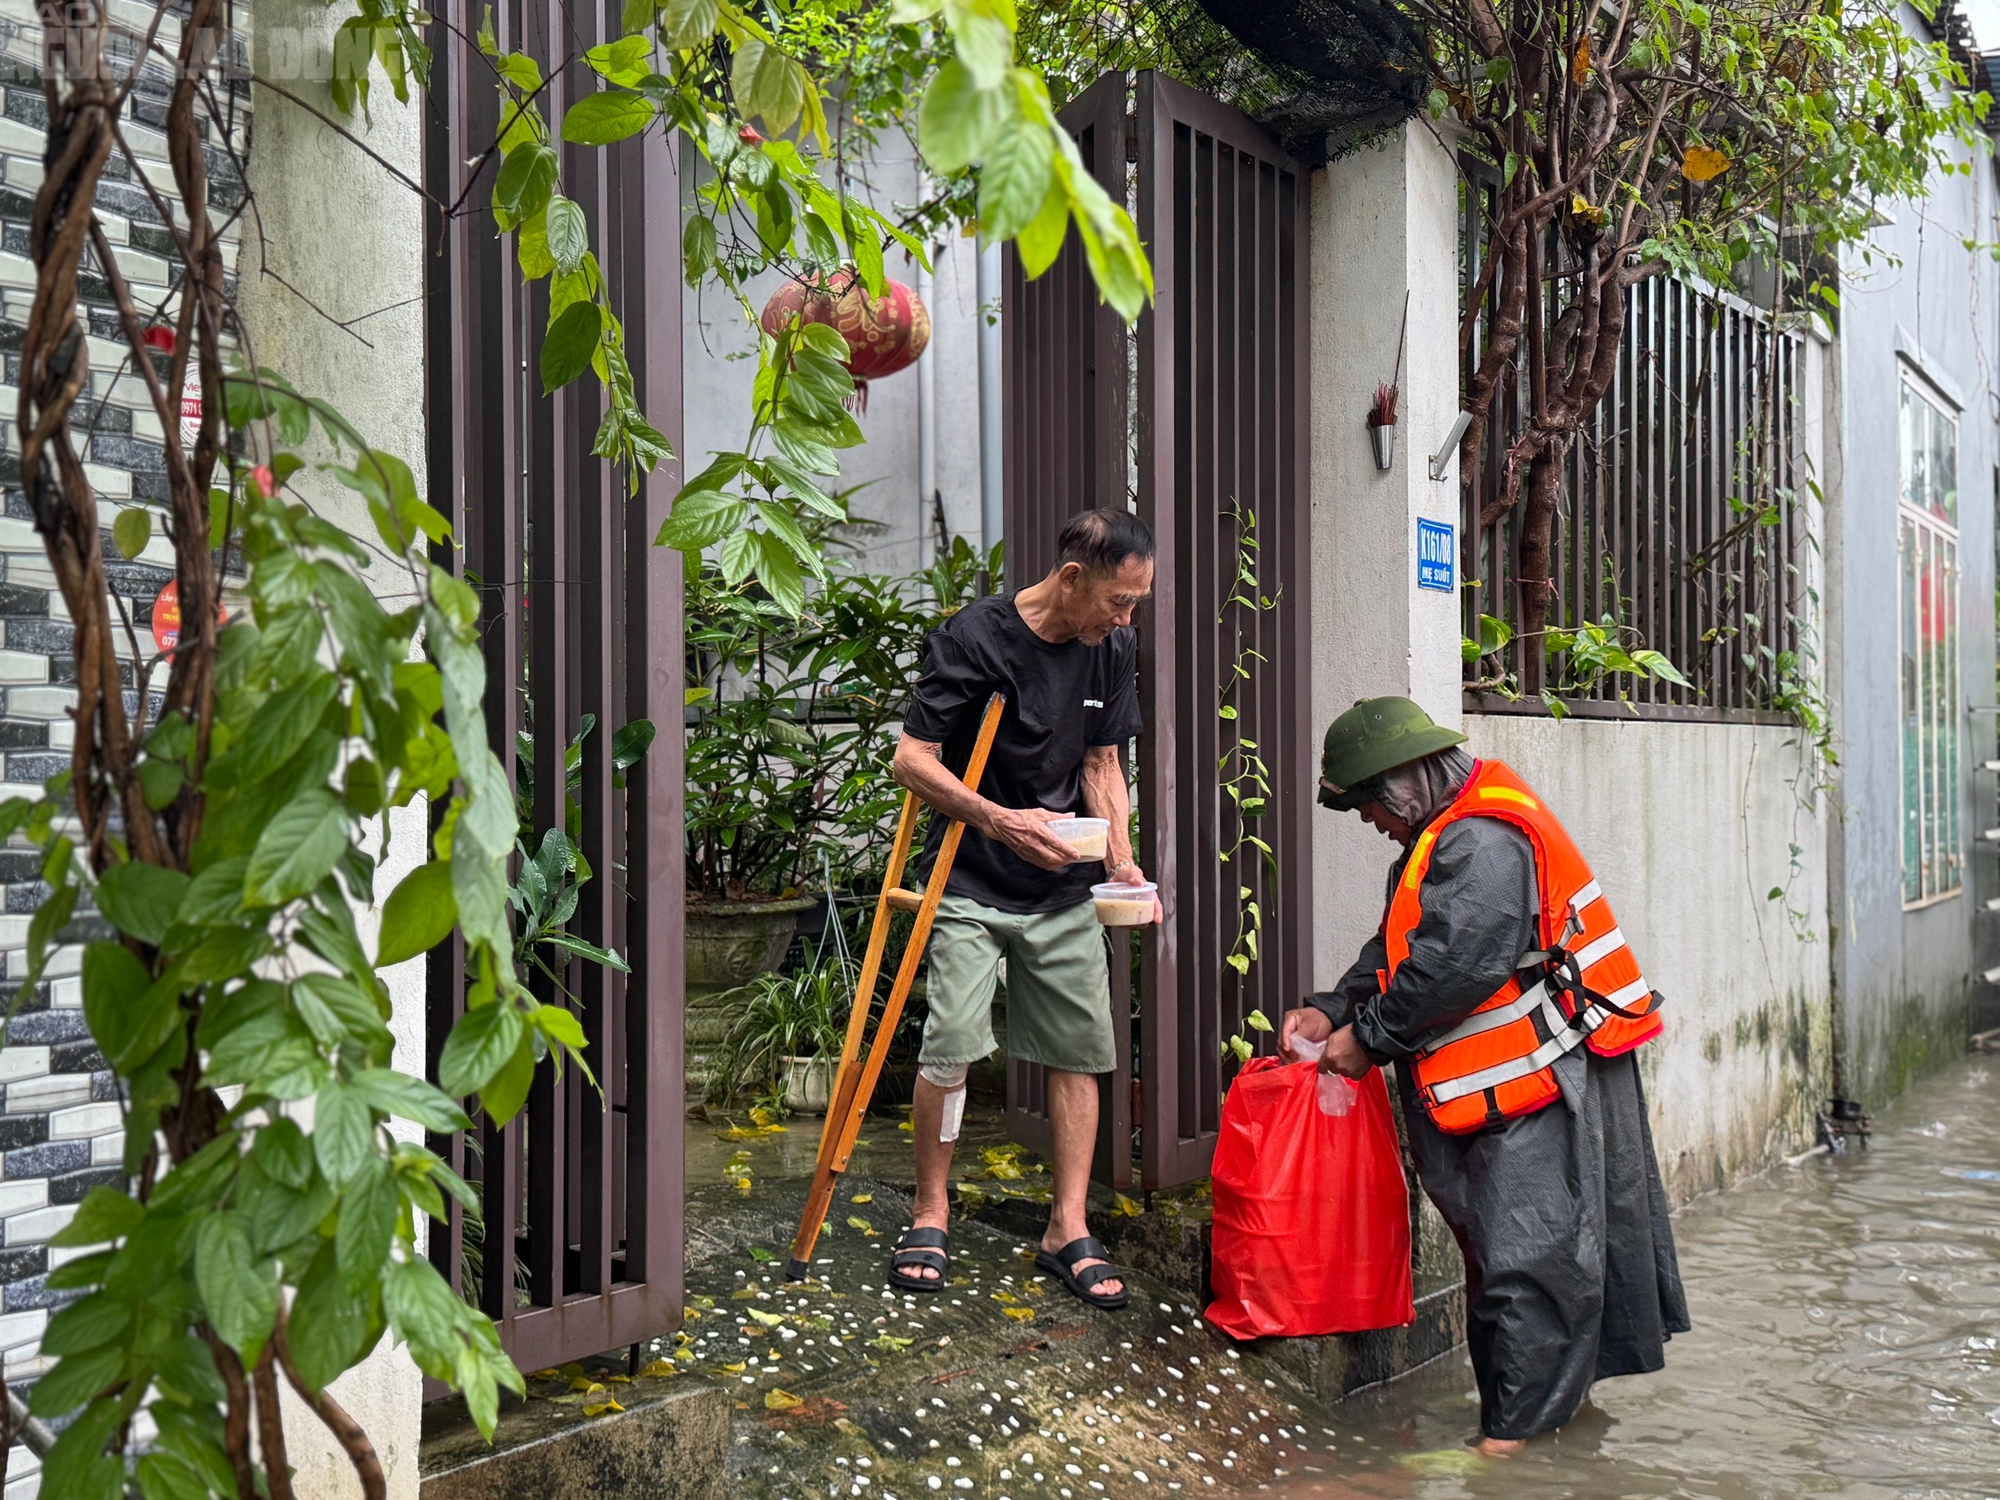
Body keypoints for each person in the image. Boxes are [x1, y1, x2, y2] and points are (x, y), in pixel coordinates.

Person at [1280, 696, 1689, 1455]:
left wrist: (1365, 1038)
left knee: (1525, 1263)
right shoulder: (1448, 830)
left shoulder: (1480, 838)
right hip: (1515, 1081)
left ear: (1403, 781)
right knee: (1516, 1260)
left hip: (1541, 1080)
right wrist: (1330, 1010)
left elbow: (1451, 967)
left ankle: (1514, 1447)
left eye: (1368, 803)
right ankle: (1532, 1427)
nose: (1370, 821)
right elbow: (1403, 946)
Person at [885, 508, 1160, 1310]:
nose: (1126, 617)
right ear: (1073, 578)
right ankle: (931, 1210)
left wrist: (1123, 865)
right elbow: (913, 759)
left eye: (1136, 604)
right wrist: (999, 819)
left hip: (1063, 884)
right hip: (973, 875)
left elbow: (1102, 763)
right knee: (951, 1046)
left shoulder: (1110, 647)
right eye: (1119, 600)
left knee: (1081, 1050)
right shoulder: (975, 639)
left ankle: (1065, 1227)